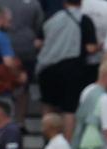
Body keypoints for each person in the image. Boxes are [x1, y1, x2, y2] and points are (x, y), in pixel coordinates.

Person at [36, 0, 94, 141]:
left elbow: (37, 43)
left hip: (47, 68)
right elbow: (90, 48)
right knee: (69, 109)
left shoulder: (51, 18)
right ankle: (67, 143)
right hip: (73, 69)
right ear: (81, 3)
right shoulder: (84, 20)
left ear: (64, 3)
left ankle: (48, 140)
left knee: (48, 105)